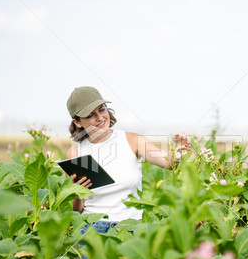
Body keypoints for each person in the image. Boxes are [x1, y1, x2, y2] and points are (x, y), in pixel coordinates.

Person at [65, 86, 191, 234]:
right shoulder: (74, 154)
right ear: (77, 122)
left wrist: (177, 150)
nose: (100, 117)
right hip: (91, 229)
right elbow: (76, 210)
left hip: (130, 227)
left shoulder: (132, 140)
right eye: (90, 115)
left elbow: (168, 163)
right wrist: (79, 194)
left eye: (102, 109)